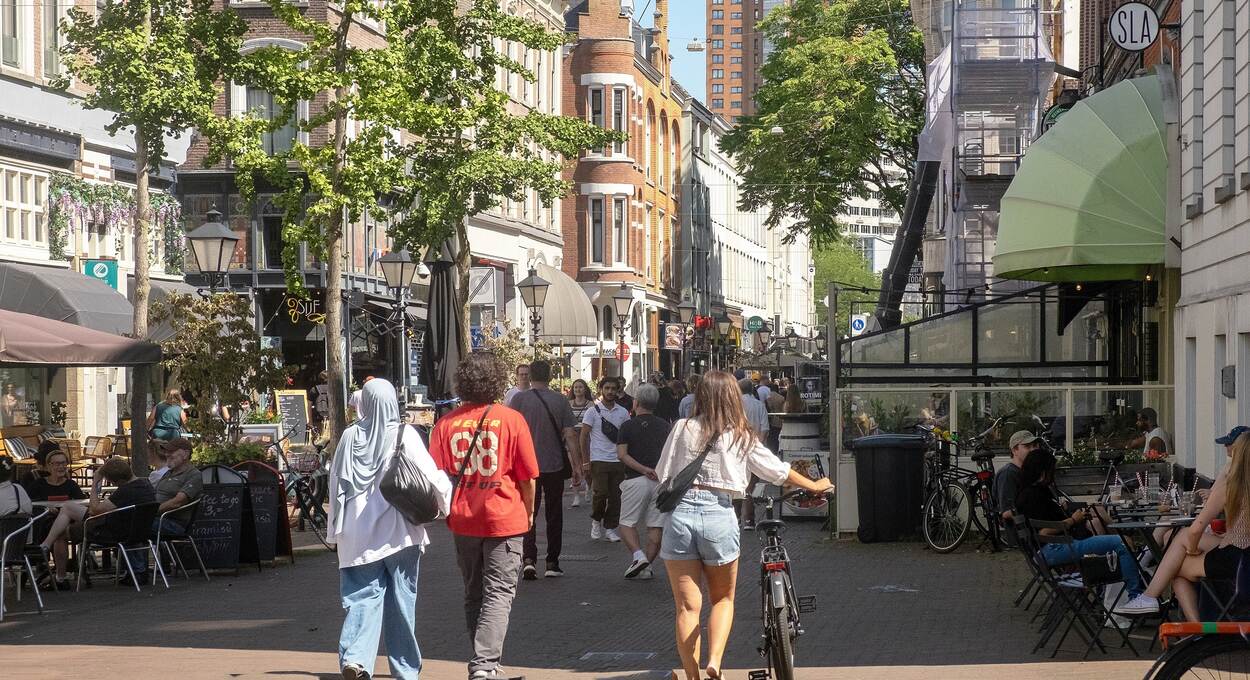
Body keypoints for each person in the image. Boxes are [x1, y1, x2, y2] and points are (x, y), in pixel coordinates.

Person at [655, 371, 834, 680]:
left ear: (700, 397)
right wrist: (815, 485)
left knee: (687, 607)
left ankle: (692, 677)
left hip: (681, 515)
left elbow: (664, 474)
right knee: (722, 599)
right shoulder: (740, 435)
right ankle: (714, 661)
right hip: (719, 515)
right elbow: (778, 472)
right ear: (732, 398)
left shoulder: (681, 428)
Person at [328, 378, 451, 680]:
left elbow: (336, 486)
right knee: (401, 601)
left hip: (357, 535)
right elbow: (430, 475)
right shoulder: (404, 433)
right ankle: (405, 669)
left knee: (361, 598)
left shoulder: (349, 437)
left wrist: (334, 531)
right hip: (401, 533)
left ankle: (356, 659)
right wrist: (446, 507)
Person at [429, 352, 538, 680]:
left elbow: (434, 475)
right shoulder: (510, 419)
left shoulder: (444, 424)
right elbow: (527, 477)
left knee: (474, 591)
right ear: (496, 379)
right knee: (500, 592)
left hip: (463, 519)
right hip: (504, 517)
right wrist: (529, 513)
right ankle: (485, 665)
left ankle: (485, 661)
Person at [1117, 429, 1250, 619]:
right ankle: (1151, 597)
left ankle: (1191, 627)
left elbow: (1197, 529)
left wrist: (1193, 550)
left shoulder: (1231, 484)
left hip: (1235, 557)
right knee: (1180, 546)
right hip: (1241, 551)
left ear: (1238, 453)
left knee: (1177, 564)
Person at [1014, 449, 1143, 600]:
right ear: (1043, 472)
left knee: (1103, 521)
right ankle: (1136, 597)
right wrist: (1073, 520)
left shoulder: (1033, 492)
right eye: (1051, 472)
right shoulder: (1033, 496)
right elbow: (1043, 533)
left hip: (1056, 547)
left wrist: (1066, 510)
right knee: (1123, 543)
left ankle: (1120, 584)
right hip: (1055, 549)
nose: (1053, 476)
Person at [510, 360, 580, 579]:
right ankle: (552, 562)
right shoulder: (559, 400)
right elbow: (570, 434)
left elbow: (511, 434)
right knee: (554, 513)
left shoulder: (518, 399)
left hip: (525, 466)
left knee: (528, 512)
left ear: (530, 376)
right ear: (550, 376)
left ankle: (528, 559)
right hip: (554, 465)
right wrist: (577, 466)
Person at [616, 384, 671, 580]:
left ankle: (639, 556)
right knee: (656, 525)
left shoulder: (627, 426)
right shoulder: (666, 426)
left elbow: (622, 455)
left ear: (636, 402)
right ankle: (647, 566)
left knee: (626, 523)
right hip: (660, 481)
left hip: (635, 479)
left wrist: (643, 469)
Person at [23, 448, 85, 585]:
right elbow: (27, 504)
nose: (61, 467)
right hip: (42, 522)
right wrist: (45, 509)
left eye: (64, 463)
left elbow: (82, 503)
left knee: (60, 532)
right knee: (58, 531)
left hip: (67, 523)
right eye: (57, 464)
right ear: (49, 465)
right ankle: (60, 577)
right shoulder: (38, 484)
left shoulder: (71, 485)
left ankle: (60, 577)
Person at [580, 376, 631, 543]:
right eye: (607, 388)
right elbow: (583, 436)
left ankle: (610, 528)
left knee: (616, 497)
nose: (610, 391)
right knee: (600, 493)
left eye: (613, 389)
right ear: (601, 389)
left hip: (618, 460)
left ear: (618, 390)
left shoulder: (623, 412)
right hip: (599, 459)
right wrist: (586, 461)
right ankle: (596, 521)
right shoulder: (592, 411)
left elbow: (627, 437)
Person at [737, 378, 770, 531]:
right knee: (750, 486)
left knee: (735, 483)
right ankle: (749, 520)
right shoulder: (759, 405)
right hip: (753, 449)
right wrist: (760, 446)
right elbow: (765, 428)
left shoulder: (735, 406)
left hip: (736, 449)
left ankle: (736, 517)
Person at [152, 438, 204, 536]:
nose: (167, 454)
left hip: (174, 522)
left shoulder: (193, 474)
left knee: (135, 526)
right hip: (158, 519)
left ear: (185, 454)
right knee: (126, 522)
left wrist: (152, 512)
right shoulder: (168, 473)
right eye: (166, 451)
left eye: (171, 451)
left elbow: (178, 502)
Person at [995, 431, 1040, 519]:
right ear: (1014, 450)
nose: (1033, 450)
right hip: (1025, 530)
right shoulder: (1008, 474)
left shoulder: (1029, 471)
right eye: (1027, 446)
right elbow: (1007, 512)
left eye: (1034, 446)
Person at [567, 379, 594, 508]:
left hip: (586, 438)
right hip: (572, 439)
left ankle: (589, 486)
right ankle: (576, 496)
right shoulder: (568, 404)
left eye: (580, 387)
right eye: (575, 387)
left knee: (586, 467)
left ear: (585, 389)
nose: (578, 389)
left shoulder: (591, 405)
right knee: (574, 468)